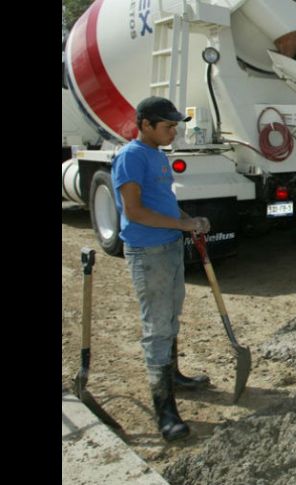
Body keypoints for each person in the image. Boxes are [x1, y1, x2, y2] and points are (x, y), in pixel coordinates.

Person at [112, 96, 212, 441]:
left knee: (171, 315)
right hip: (147, 251)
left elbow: (164, 203)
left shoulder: (157, 155)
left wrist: (189, 220)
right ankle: (164, 409)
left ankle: (174, 376)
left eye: (174, 126)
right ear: (145, 124)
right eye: (167, 126)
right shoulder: (130, 158)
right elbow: (135, 211)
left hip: (169, 247)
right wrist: (183, 226)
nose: (173, 132)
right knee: (156, 325)